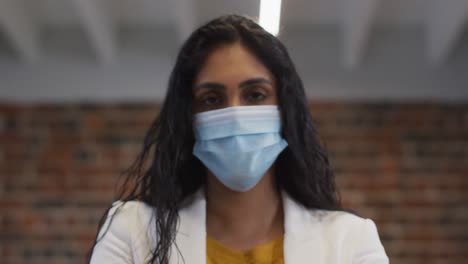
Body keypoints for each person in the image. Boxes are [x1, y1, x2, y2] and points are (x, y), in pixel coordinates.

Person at [88, 14, 389, 264]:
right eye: (211, 99)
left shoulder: (349, 240)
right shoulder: (132, 231)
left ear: (285, 109)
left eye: (255, 95)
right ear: (188, 118)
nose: (234, 113)